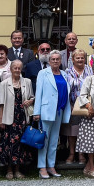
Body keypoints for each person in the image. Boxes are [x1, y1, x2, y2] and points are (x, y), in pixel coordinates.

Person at [34, 50, 71, 178]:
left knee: (54, 140)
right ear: (49, 61)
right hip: (46, 110)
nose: (55, 61)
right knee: (44, 139)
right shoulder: (43, 73)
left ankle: (51, 165)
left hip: (59, 110)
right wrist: (36, 112)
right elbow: (38, 93)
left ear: (61, 61)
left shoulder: (64, 74)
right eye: (53, 59)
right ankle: (42, 167)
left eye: (57, 59)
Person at [0, 58, 34, 179]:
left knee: (20, 145)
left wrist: (30, 101)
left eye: (19, 68)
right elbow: (1, 103)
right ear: (11, 69)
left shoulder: (27, 82)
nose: (17, 70)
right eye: (15, 68)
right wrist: (1, 119)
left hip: (22, 118)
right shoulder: (4, 83)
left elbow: (32, 97)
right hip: (9, 118)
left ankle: (18, 170)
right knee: (8, 144)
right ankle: (9, 170)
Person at [62, 49, 92, 164]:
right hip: (72, 105)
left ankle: (81, 154)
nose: (80, 60)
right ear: (73, 59)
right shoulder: (67, 71)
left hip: (86, 104)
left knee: (84, 130)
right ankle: (72, 153)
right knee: (72, 131)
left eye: (82, 58)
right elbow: (67, 86)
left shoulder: (90, 70)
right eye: (77, 58)